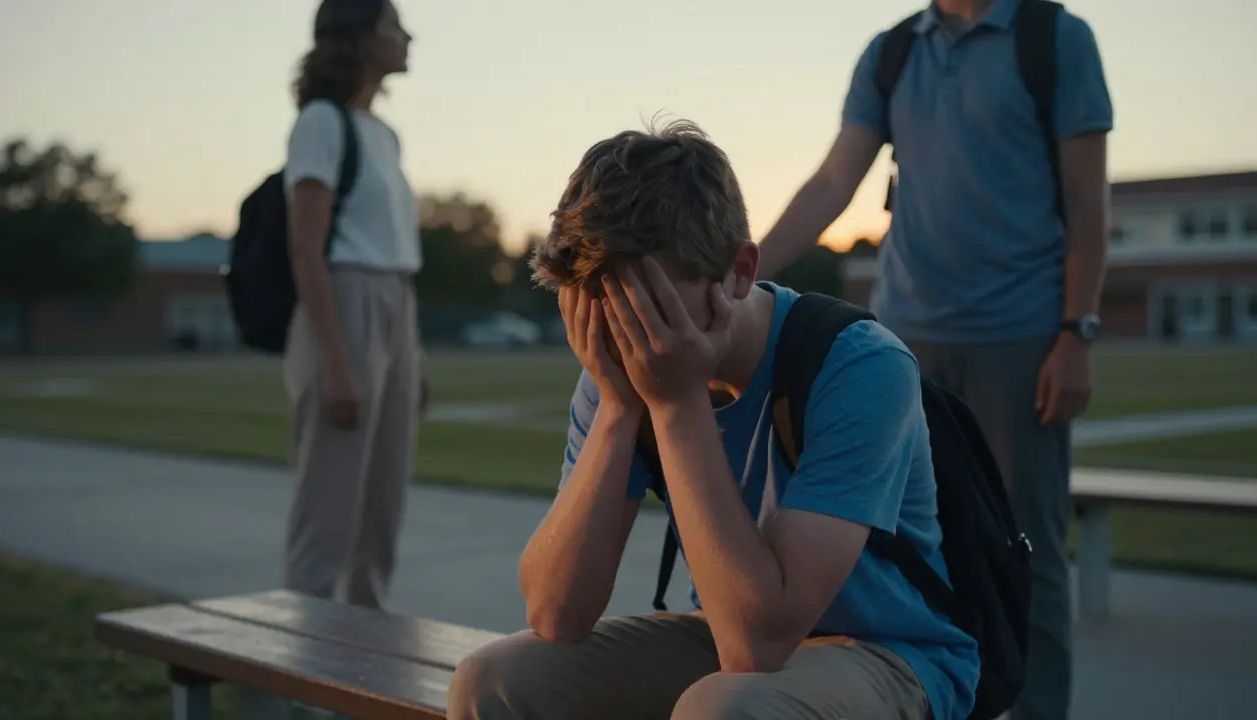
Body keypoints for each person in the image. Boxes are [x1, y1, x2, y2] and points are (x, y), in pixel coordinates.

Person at [447, 119, 979, 720]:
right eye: (606, 311)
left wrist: (675, 405)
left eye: (652, 308)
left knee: (725, 709)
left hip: (886, 652)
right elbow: (554, 612)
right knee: (491, 681)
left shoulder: (857, 365)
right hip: (728, 635)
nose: (630, 338)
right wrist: (620, 407)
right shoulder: (619, 364)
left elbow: (758, 643)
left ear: (740, 272)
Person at [754, 1, 1113, 718]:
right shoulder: (891, 53)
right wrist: (738, 269)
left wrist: (1077, 332)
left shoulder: (1055, 39)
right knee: (899, 550)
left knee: (1027, 550)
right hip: (900, 343)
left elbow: (1087, 202)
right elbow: (832, 183)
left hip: (1021, 336)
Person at [281, 0, 428, 610]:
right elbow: (306, 250)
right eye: (393, 25)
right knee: (329, 516)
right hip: (344, 305)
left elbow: (395, 248)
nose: (407, 35)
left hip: (396, 306)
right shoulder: (320, 122)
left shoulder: (385, 135)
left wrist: (412, 356)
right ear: (361, 39)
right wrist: (338, 363)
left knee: (381, 515)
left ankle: (361, 679)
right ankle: (288, 686)